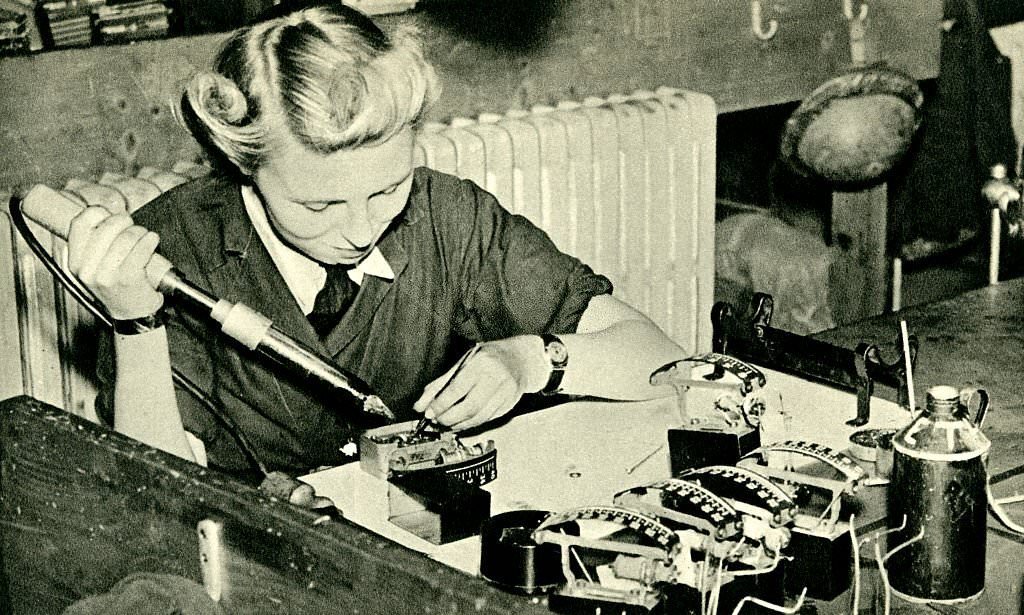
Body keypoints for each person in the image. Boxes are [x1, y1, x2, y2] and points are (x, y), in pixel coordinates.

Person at [65, 2, 685, 478]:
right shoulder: (173, 249)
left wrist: (531, 361)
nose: (362, 231)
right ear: (244, 167)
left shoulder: (445, 214)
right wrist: (134, 325)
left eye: (387, 189)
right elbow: (152, 493)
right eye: (319, 204)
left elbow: (660, 361)